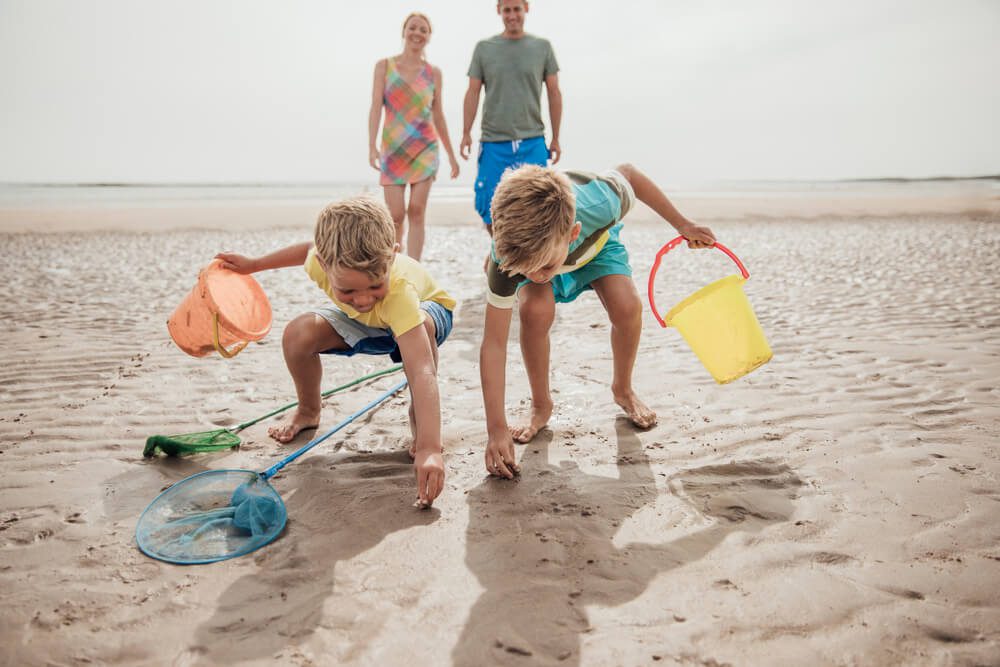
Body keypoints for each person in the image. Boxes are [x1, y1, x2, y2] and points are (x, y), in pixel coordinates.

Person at [479, 164, 717, 479]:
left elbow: (629, 174)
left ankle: (623, 389)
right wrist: (496, 429)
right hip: (536, 251)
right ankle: (541, 405)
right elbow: (493, 344)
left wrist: (683, 225)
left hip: (595, 249)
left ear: (573, 232)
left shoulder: (602, 203)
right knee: (535, 311)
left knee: (627, 306)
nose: (536, 276)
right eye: (528, 270)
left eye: (544, 268)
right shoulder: (508, 259)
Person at [215, 197, 455, 507]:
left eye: (374, 286)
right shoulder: (320, 261)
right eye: (348, 291)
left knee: (419, 330)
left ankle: (420, 427)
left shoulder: (399, 291)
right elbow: (305, 251)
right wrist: (254, 265)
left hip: (425, 315)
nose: (364, 298)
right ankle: (308, 410)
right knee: (298, 334)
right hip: (369, 326)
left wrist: (430, 448)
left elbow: (422, 371)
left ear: (392, 258)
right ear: (324, 265)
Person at [459, 0, 562, 233]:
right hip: (494, 141)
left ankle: (530, 264)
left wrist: (555, 137)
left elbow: (554, 92)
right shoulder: (484, 48)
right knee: (489, 206)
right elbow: (472, 92)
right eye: (507, 9)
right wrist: (466, 132)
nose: (512, 15)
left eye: (517, 9)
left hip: (532, 139)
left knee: (538, 207)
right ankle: (501, 256)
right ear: (499, 11)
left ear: (526, 8)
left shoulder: (542, 47)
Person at [368, 12, 459, 260]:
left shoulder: (433, 73)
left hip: (424, 148)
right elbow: (376, 107)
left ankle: (415, 267)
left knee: (417, 210)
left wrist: (451, 156)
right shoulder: (384, 67)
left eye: (423, 30)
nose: (417, 33)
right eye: (413, 28)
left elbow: (438, 115)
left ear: (429, 37)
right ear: (404, 31)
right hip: (393, 149)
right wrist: (372, 146)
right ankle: (395, 262)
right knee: (395, 215)